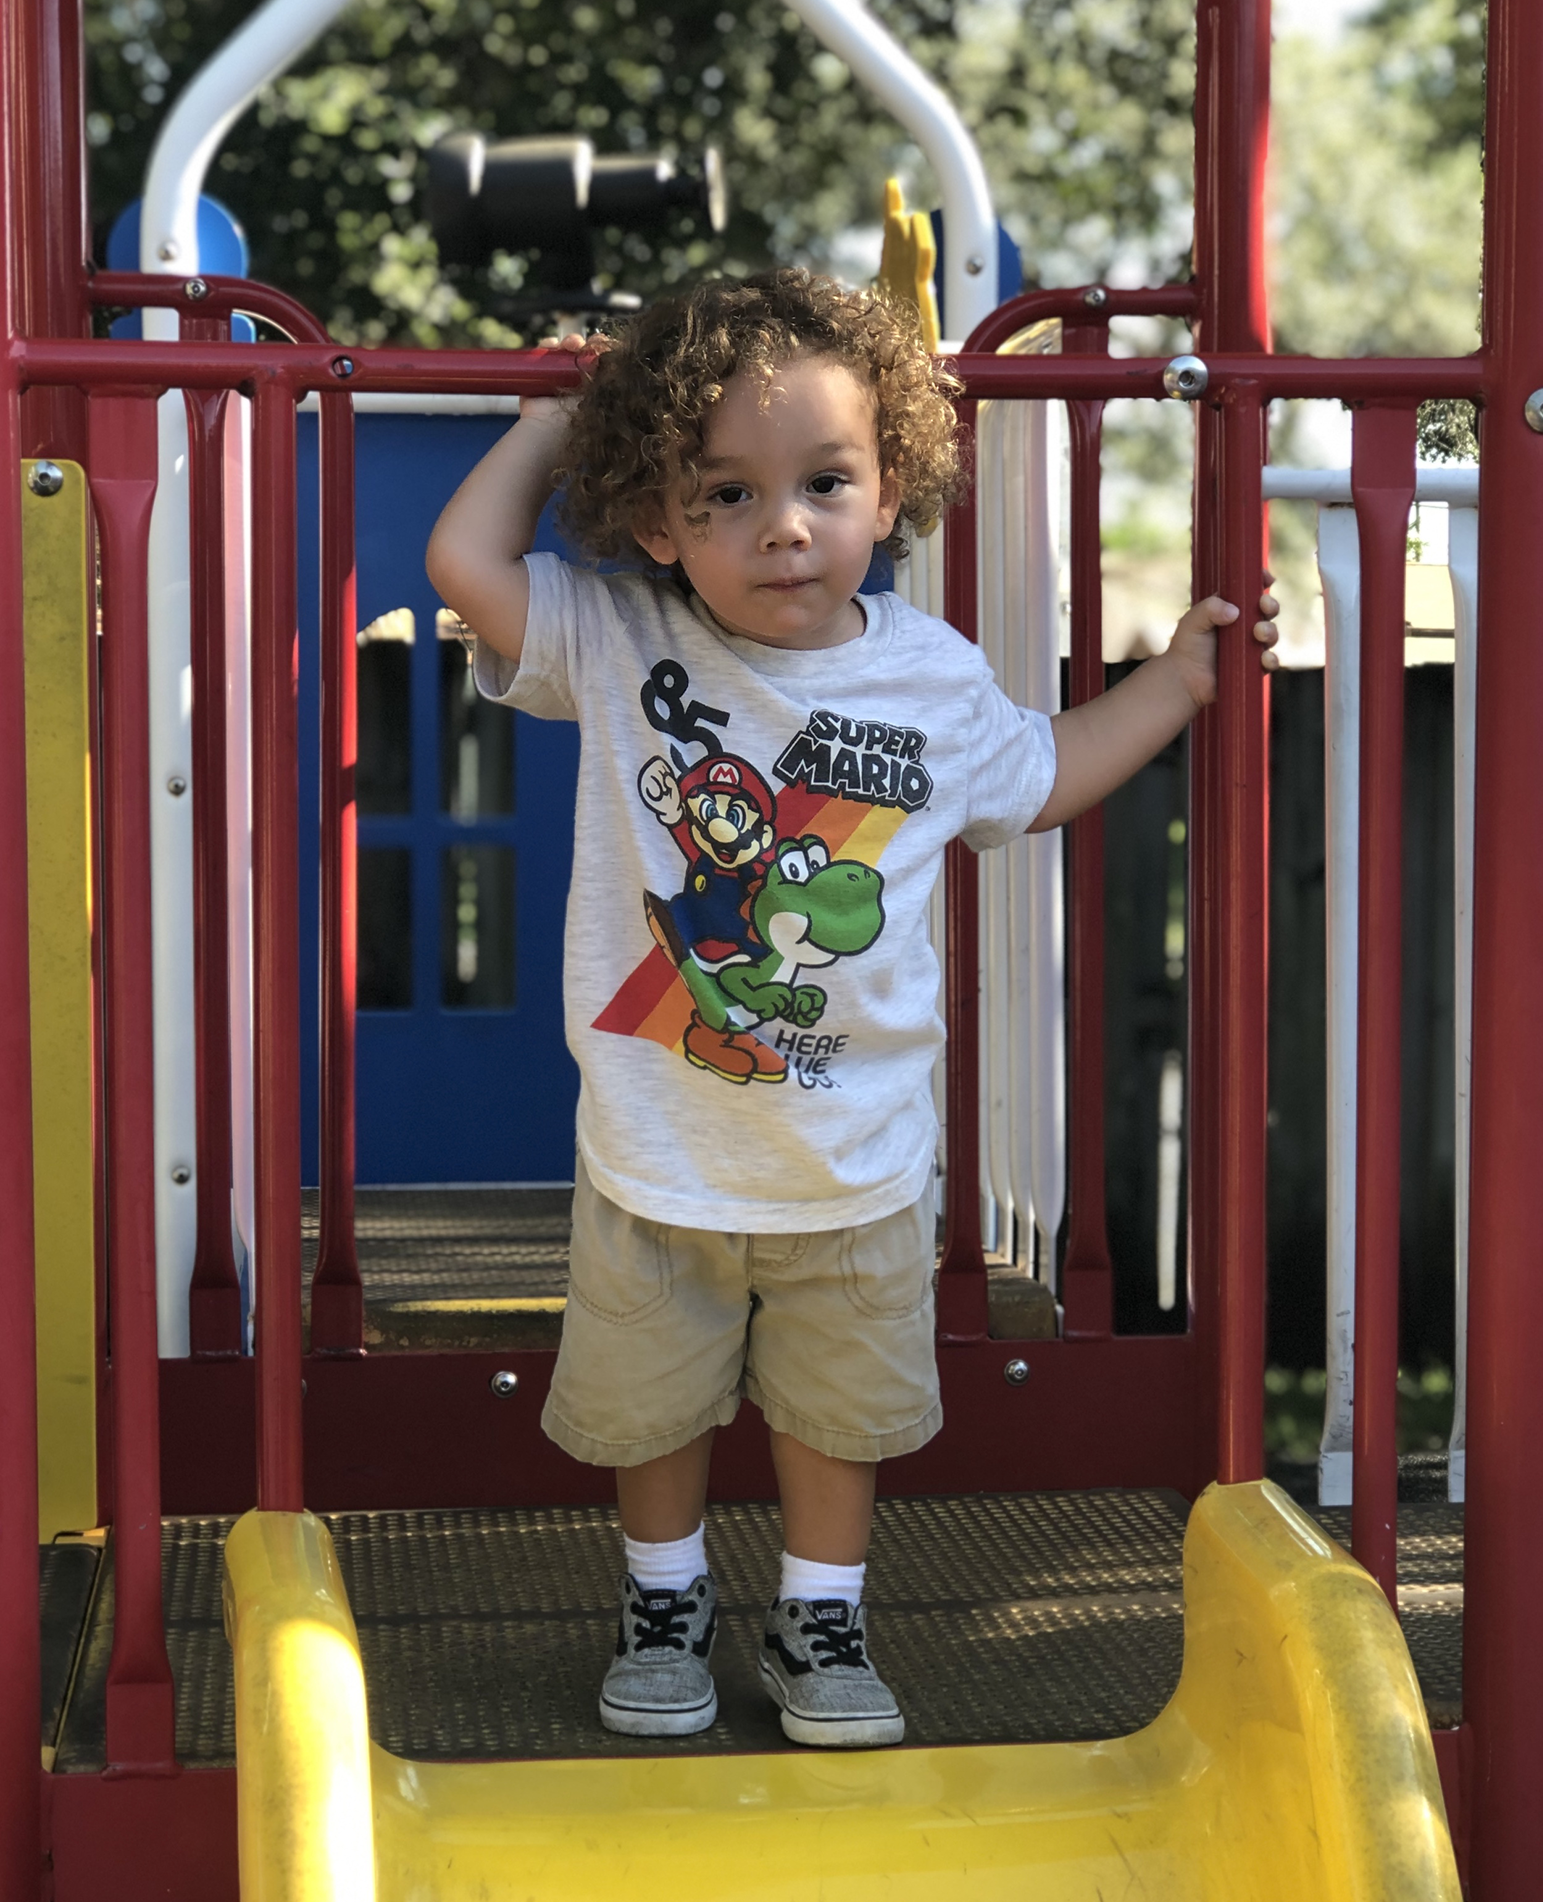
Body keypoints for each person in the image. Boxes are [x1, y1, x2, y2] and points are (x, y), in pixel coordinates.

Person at [426, 267, 1278, 1751]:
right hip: (657, 1147)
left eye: (826, 481)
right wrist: (552, 421)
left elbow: (1042, 775)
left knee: (838, 1415)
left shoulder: (930, 678)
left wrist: (1179, 687)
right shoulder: (623, 642)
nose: (785, 529)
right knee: (653, 1411)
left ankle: (824, 1616)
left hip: (860, 1156)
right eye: (727, 494)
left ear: (892, 489)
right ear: (653, 519)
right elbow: (462, 562)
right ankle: (664, 1600)